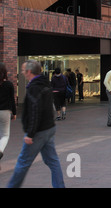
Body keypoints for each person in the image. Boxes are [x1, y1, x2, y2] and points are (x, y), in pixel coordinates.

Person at [7, 60, 65, 188]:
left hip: (38, 131)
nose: (22, 73)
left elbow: (35, 111)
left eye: (23, 70)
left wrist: (30, 134)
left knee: (23, 162)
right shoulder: (46, 84)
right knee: (52, 161)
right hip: (49, 128)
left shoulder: (34, 88)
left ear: (29, 72)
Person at [0, 63, 16, 167]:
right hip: (5, 112)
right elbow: (12, 100)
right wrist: (14, 113)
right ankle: (0, 150)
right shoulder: (9, 84)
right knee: (5, 135)